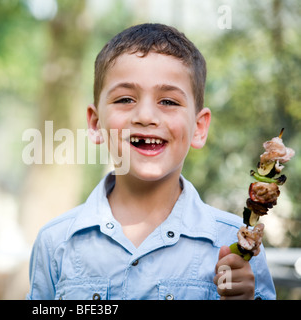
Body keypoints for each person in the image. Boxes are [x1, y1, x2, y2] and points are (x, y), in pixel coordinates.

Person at [26, 23, 276, 300]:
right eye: (125, 99)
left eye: (168, 101)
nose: (145, 116)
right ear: (96, 124)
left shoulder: (236, 244)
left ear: (199, 127)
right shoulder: (56, 242)